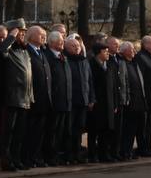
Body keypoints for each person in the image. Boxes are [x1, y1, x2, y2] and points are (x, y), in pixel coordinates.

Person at [0, 24, 33, 171]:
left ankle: (16, 158)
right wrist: (11, 36)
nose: (23, 36)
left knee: (20, 133)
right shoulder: (9, 50)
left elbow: (29, 77)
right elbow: (1, 50)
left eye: (24, 33)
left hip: (25, 98)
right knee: (9, 132)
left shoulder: (25, 52)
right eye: (20, 33)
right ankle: (7, 160)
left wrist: (31, 96)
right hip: (13, 97)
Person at [24, 25, 52, 167]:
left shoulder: (42, 52)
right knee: (30, 132)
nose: (44, 37)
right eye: (40, 34)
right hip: (33, 100)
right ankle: (28, 158)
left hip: (44, 101)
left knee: (40, 133)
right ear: (31, 36)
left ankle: (36, 157)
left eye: (44, 34)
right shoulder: (26, 51)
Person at [87, 37, 117, 162]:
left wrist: (115, 103)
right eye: (105, 51)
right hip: (97, 103)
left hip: (109, 104)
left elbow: (114, 85)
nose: (108, 54)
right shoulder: (91, 65)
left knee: (106, 130)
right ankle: (92, 155)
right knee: (94, 131)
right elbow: (89, 84)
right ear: (99, 53)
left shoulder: (109, 65)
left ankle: (104, 154)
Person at [45, 30, 72, 165]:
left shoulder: (63, 56)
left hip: (65, 101)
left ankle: (57, 155)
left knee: (61, 131)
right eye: (60, 40)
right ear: (52, 42)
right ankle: (50, 156)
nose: (63, 42)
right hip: (55, 101)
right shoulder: (48, 57)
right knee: (52, 131)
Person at [65, 34, 93, 163]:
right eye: (73, 46)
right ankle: (69, 155)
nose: (77, 48)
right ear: (66, 47)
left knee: (79, 129)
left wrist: (91, 98)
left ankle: (77, 154)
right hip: (70, 102)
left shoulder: (84, 61)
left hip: (83, 101)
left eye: (78, 46)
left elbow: (90, 81)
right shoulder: (65, 60)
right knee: (69, 131)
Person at [119, 41, 147, 160]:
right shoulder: (122, 63)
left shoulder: (135, 63)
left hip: (140, 102)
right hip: (130, 102)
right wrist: (125, 99)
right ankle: (125, 152)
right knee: (128, 129)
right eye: (131, 49)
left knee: (137, 129)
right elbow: (122, 82)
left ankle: (131, 151)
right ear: (124, 51)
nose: (134, 51)